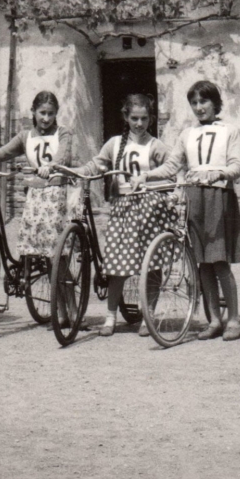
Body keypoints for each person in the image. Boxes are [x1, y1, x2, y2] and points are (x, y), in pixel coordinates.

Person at [134, 80, 240, 341]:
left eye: (204, 101)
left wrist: (220, 173)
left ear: (215, 103)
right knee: (201, 264)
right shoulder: (187, 134)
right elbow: (172, 165)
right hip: (194, 197)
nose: (199, 107)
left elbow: (237, 166)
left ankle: (234, 320)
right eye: (194, 103)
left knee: (219, 261)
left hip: (219, 196)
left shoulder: (230, 130)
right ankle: (214, 319)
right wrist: (148, 176)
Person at [74, 94, 173, 336]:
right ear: (126, 117)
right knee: (116, 264)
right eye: (134, 118)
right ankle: (110, 317)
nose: (139, 123)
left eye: (144, 118)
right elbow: (98, 164)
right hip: (122, 208)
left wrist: (154, 180)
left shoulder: (155, 146)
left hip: (150, 209)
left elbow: (170, 168)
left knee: (151, 264)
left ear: (150, 118)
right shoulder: (115, 144)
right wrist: (80, 171)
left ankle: (147, 314)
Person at [0, 90, 77, 274]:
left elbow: (62, 155)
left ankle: (67, 298)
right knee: (31, 245)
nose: (46, 118)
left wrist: (51, 166)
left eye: (50, 113)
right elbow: (2, 153)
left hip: (57, 193)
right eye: (42, 113)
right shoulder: (25, 136)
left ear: (56, 114)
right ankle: (27, 278)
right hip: (34, 195)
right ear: (33, 112)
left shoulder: (63, 133)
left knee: (55, 252)